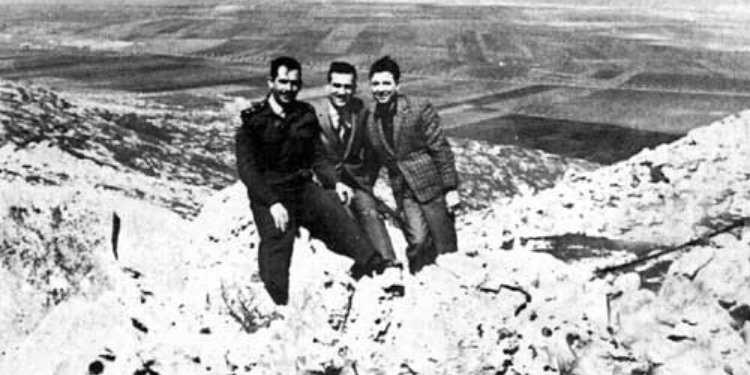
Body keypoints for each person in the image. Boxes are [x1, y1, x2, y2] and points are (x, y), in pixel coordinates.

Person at [235, 56, 388, 305]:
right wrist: (272, 203)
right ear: (271, 82)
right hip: (271, 192)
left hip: (302, 188)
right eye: (283, 82)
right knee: (278, 241)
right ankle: (276, 302)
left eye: (294, 83)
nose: (288, 88)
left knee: (337, 216)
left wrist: (335, 182)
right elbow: (248, 170)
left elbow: (317, 156)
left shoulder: (304, 114)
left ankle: (372, 265)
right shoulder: (253, 122)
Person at [366, 55, 460, 274]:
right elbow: (373, 160)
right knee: (417, 241)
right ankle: (418, 278)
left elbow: (440, 149)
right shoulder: (371, 119)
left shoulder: (419, 109)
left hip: (433, 186)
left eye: (386, 83)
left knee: (445, 245)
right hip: (404, 191)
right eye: (376, 84)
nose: (381, 89)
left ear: (397, 85)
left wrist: (451, 188)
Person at [311, 61, 398, 265]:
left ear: (354, 88)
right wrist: (333, 182)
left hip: (353, 181)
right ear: (328, 87)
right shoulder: (312, 114)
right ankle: (363, 263)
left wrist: (366, 180)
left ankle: (388, 262)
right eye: (337, 86)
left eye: (347, 87)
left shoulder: (360, 111)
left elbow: (373, 149)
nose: (342, 92)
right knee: (344, 214)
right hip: (324, 182)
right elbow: (313, 155)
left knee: (368, 208)